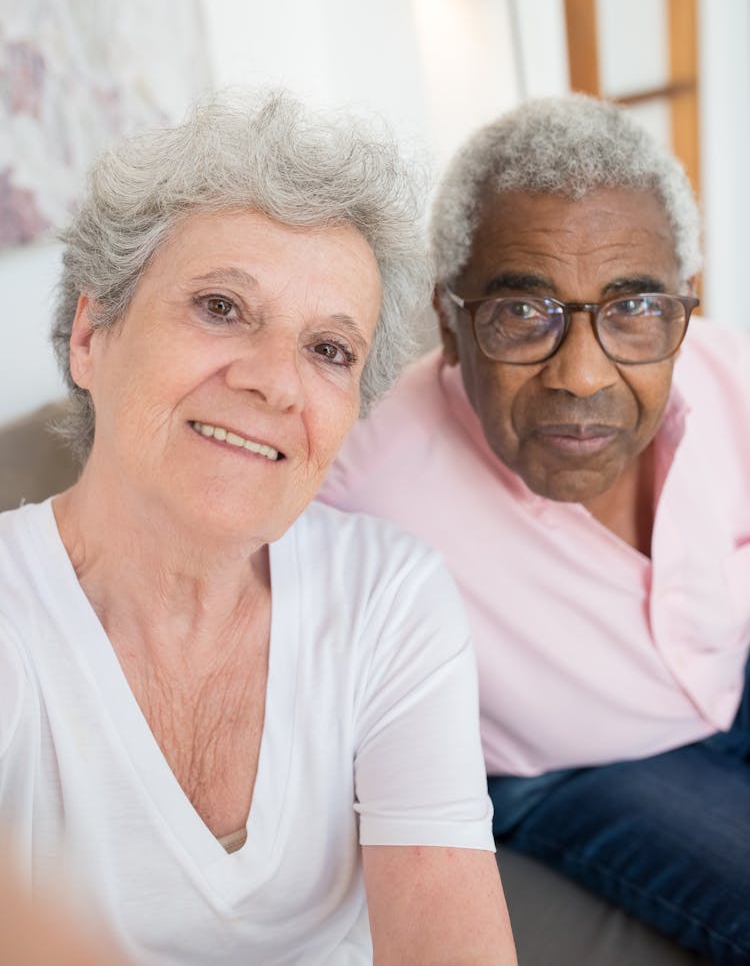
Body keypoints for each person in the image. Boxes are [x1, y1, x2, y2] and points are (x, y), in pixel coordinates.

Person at [0, 90, 517, 966]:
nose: (276, 384)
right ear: (91, 334)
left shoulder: (387, 597)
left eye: (328, 351)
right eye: (221, 307)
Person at [320, 95, 750, 965]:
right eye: (523, 313)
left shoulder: (725, 369)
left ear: (681, 310)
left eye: (634, 308)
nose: (583, 375)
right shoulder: (348, 487)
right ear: (449, 323)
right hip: (578, 768)